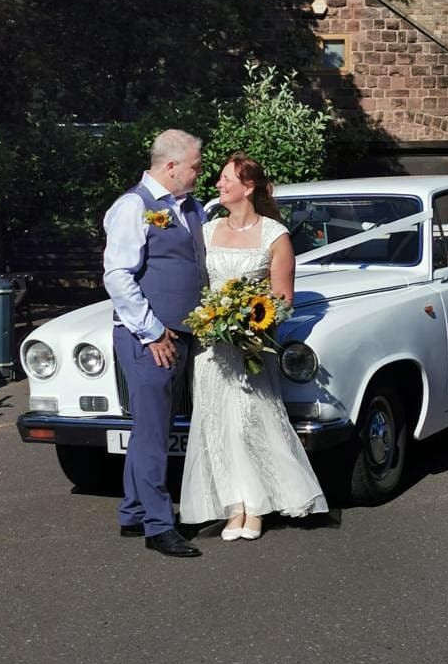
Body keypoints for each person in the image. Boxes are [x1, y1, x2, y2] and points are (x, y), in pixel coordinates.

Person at [179, 152, 328, 540]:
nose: (218, 185)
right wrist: (211, 319)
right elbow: (195, 285)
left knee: (249, 422)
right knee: (216, 425)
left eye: (226, 179)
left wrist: (248, 325)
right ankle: (233, 507)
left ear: (248, 187)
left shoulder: (273, 235)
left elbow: (283, 298)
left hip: (251, 347)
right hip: (212, 348)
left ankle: (257, 506)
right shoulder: (208, 232)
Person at [103, 129, 207, 558]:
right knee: (151, 433)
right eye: (196, 167)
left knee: (154, 427)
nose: (200, 173)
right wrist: (151, 332)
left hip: (179, 332)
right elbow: (118, 276)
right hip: (149, 338)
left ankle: (132, 511)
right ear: (170, 166)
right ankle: (158, 525)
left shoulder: (189, 208)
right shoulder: (133, 207)